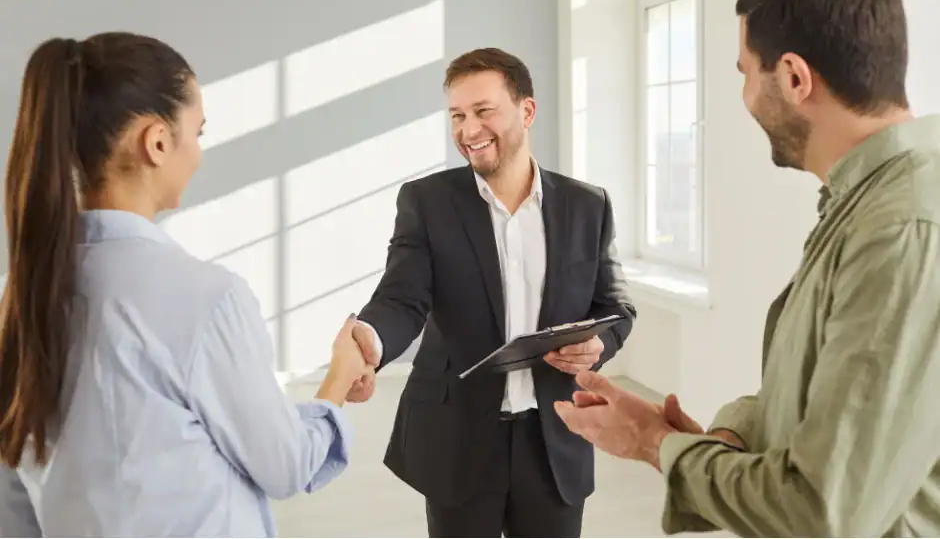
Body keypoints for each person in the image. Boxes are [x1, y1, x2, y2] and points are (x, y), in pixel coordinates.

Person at [554, 0, 940, 537]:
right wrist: (724, 438)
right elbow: (831, 400)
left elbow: (823, 510)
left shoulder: (900, 231)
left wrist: (656, 444)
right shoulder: (875, 198)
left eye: (744, 73)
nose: (745, 99)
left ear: (792, 77)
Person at [0, 33, 371, 537]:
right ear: (156, 141)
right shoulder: (206, 297)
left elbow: (13, 506)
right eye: (197, 132)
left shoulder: (16, 301)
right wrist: (337, 383)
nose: (197, 152)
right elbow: (286, 465)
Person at [345, 47, 636, 537]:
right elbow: (401, 298)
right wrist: (368, 345)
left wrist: (599, 345)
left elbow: (615, 306)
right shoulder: (427, 202)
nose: (468, 130)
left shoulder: (588, 205)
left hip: (554, 441)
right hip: (458, 439)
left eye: (483, 112)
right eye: (457, 116)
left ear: (527, 110)